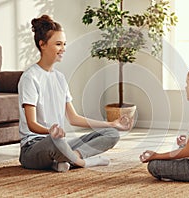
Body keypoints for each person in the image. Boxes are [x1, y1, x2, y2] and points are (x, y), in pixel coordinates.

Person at [18, 15, 132, 172]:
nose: (63, 48)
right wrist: (50, 131)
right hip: (34, 148)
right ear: (42, 45)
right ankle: (81, 162)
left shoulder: (60, 78)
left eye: (64, 44)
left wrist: (112, 124)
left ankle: (67, 159)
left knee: (112, 134)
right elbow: (31, 124)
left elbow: (73, 118)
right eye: (58, 44)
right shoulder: (30, 77)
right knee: (54, 141)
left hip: (61, 143)